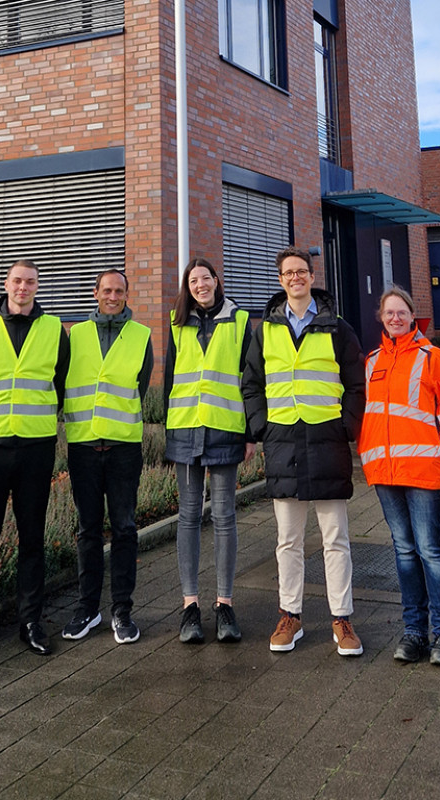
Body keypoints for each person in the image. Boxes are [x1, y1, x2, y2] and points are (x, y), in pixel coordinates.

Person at [242, 246, 365, 656]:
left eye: (302, 272)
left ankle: (342, 619)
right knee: (288, 540)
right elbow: (251, 384)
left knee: (336, 539)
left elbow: (355, 383)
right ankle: (290, 616)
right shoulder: (264, 330)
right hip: (283, 445)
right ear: (280, 281)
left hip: (327, 443)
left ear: (312, 276)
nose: (295, 278)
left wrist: (345, 426)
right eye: (288, 273)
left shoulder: (338, 328)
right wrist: (260, 426)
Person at [0, 259, 69, 662]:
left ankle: (31, 623)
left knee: (32, 539)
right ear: (6, 285)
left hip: (36, 447)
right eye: (17, 281)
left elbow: (62, 381)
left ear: (38, 287)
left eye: (30, 282)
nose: (23, 287)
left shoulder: (54, 330)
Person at [358, 287, 440, 667]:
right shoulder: (372, 361)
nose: (394, 318)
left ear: (412, 316)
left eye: (401, 312)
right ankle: (413, 634)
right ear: (381, 317)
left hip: (424, 471)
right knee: (404, 553)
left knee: (430, 552)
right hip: (386, 472)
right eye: (388, 312)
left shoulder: (431, 356)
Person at [164, 257, 255, 644]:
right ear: (188, 286)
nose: (200, 285)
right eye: (193, 280)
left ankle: (224, 605)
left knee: (223, 516)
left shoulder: (241, 321)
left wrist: (251, 432)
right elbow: (170, 377)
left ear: (217, 281)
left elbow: (251, 379)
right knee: (187, 517)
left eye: (206, 278)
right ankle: (189, 607)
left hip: (224, 430)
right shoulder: (176, 322)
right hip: (185, 430)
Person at [61, 269, 154, 645]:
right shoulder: (74, 335)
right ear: (95, 293)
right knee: (87, 530)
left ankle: (122, 611)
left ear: (127, 294)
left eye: (119, 291)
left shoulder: (142, 336)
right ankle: (88, 609)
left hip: (123, 449)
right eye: (107, 290)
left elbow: (142, 385)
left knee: (125, 529)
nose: (113, 296)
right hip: (83, 446)